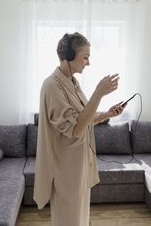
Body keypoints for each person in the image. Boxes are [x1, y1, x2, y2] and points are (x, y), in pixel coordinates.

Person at [33, 32, 127, 226]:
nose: (88, 62)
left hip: (80, 166)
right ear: (69, 55)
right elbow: (75, 129)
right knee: (69, 220)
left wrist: (106, 115)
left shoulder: (73, 84)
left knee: (80, 220)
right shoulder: (52, 85)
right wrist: (98, 94)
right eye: (85, 57)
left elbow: (83, 119)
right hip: (66, 170)